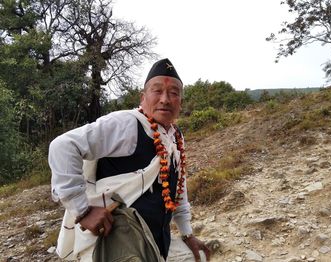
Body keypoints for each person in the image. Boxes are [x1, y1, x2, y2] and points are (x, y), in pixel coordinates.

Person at [49, 58, 210, 261]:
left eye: (174, 93)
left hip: (154, 241)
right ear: (143, 97)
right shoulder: (126, 124)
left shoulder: (175, 136)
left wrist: (187, 234)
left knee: (200, 256)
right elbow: (62, 146)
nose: (165, 99)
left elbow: (179, 188)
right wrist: (82, 211)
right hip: (116, 245)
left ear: (181, 102)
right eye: (157, 91)